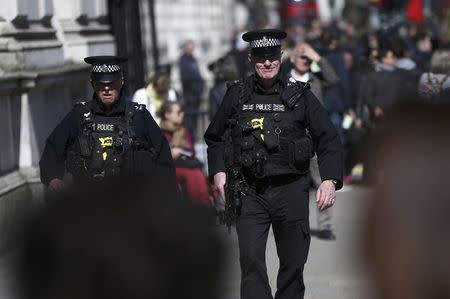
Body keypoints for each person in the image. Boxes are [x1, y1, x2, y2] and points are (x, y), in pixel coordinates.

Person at [204, 29, 343, 299]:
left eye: (272, 56)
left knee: (293, 265)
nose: (267, 63)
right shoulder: (236, 95)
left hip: (290, 191)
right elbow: (215, 137)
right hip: (249, 192)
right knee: (252, 263)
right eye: (260, 57)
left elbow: (328, 139)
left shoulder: (299, 95)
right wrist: (219, 172)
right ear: (250, 58)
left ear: (281, 56)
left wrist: (329, 179)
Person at [39, 56, 176, 192]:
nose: (106, 88)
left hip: (134, 203)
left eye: (111, 83)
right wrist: (53, 178)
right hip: (88, 202)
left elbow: (163, 157)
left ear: (121, 81)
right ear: (93, 83)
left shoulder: (139, 116)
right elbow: (53, 146)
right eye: (101, 83)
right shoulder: (79, 115)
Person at [289, 41, 340, 240]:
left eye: (308, 58)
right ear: (292, 59)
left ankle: (325, 226)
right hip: (292, 140)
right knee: (294, 185)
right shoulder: (284, 80)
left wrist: (317, 56)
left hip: (314, 139)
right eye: (301, 56)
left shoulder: (315, 79)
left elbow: (334, 79)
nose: (305, 60)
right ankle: (293, 225)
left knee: (323, 181)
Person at [158, 101, 212, 206]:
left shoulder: (184, 131)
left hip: (186, 164)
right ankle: (199, 206)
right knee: (191, 174)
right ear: (167, 115)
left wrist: (180, 151)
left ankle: (205, 205)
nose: (182, 114)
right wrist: (171, 152)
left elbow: (192, 152)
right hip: (171, 167)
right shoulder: (160, 132)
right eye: (178, 112)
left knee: (197, 172)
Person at [179, 40, 205, 133]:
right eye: (190, 48)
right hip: (190, 95)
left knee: (195, 120)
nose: (191, 50)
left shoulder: (193, 59)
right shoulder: (183, 60)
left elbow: (198, 75)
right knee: (189, 120)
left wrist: (201, 86)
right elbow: (186, 77)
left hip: (196, 94)